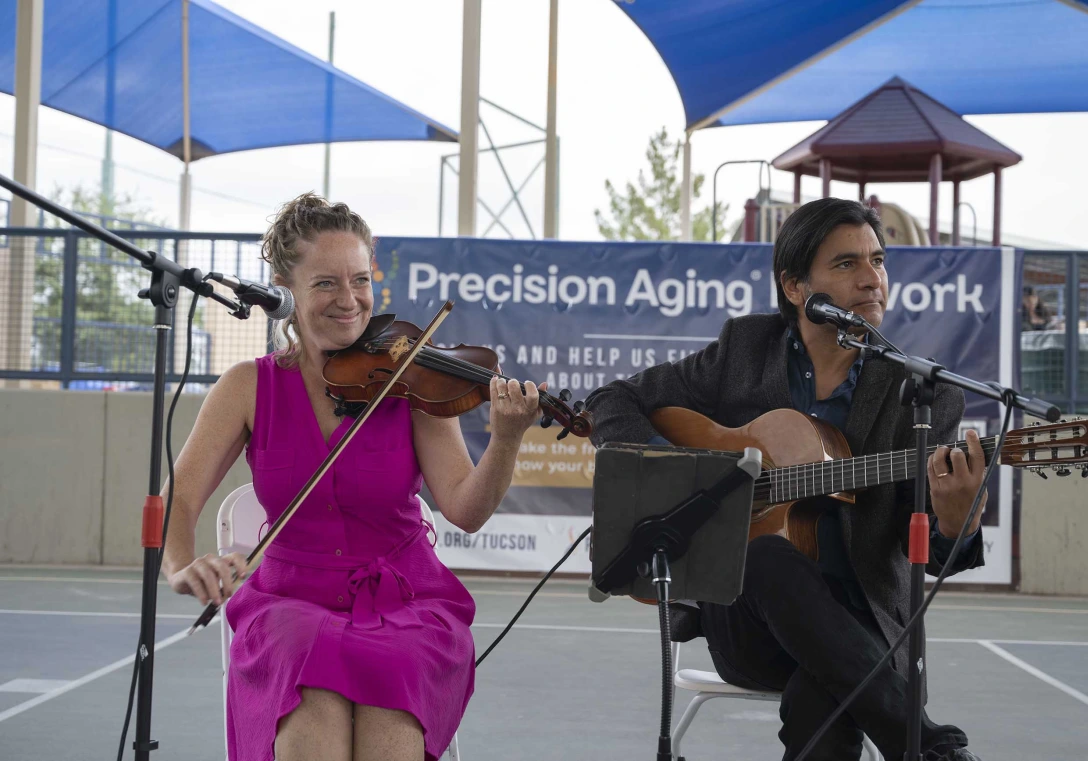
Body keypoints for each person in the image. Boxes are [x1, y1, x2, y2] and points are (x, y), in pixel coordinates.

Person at [584, 198, 987, 761]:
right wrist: (672, 473)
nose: (872, 279)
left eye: (878, 260)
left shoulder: (922, 394)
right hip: (746, 624)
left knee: (823, 702)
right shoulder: (745, 351)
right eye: (847, 265)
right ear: (796, 287)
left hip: (862, 622)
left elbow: (926, 549)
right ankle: (928, 747)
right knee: (769, 558)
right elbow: (613, 399)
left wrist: (954, 521)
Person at [160, 193, 543, 761]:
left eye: (360, 280)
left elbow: (465, 507)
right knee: (310, 738)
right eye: (325, 284)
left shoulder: (409, 379)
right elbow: (181, 497)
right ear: (285, 286)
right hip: (290, 601)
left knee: (389, 737)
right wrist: (180, 565)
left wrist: (507, 439)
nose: (349, 301)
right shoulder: (247, 387)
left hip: (406, 604)